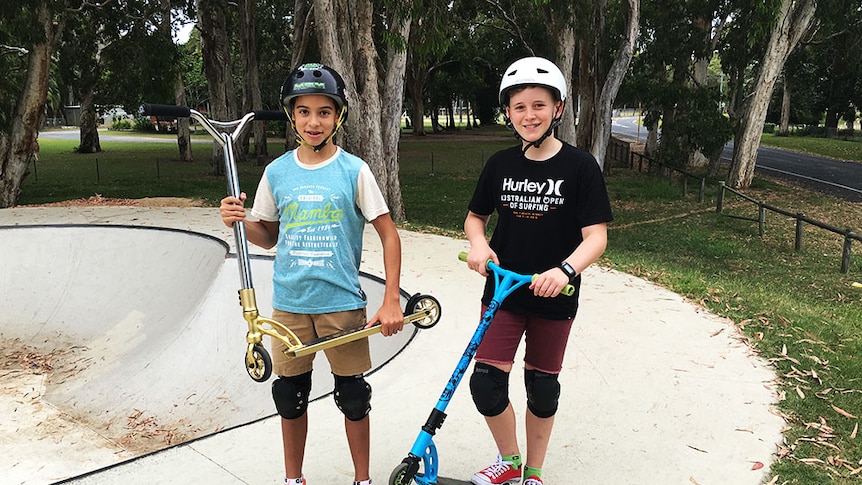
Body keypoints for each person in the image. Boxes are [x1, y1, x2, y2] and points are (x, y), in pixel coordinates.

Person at [220, 63, 404, 485]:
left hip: (341, 305)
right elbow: (266, 237)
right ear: (292, 116)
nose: (314, 121)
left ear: (338, 116)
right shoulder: (277, 172)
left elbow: (389, 236)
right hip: (289, 307)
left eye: (324, 111)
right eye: (304, 111)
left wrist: (391, 298)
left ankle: (362, 479)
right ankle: (293, 478)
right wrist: (239, 219)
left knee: (354, 397)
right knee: (289, 397)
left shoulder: (353, 170)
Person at [463, 56, 613, 485]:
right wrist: (478, 243)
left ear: (558, 109)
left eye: (539, 105)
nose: (529, 115)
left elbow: (596, 236)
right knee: (486, 384)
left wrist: (565, 270)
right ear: (508, 113)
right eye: (519, 106)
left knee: (542, 388)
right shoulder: (499, 165)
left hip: (554, 296)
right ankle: (509, 459)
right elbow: (476, 218)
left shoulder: (580, 167)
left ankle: (534, 471)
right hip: (503, 292)